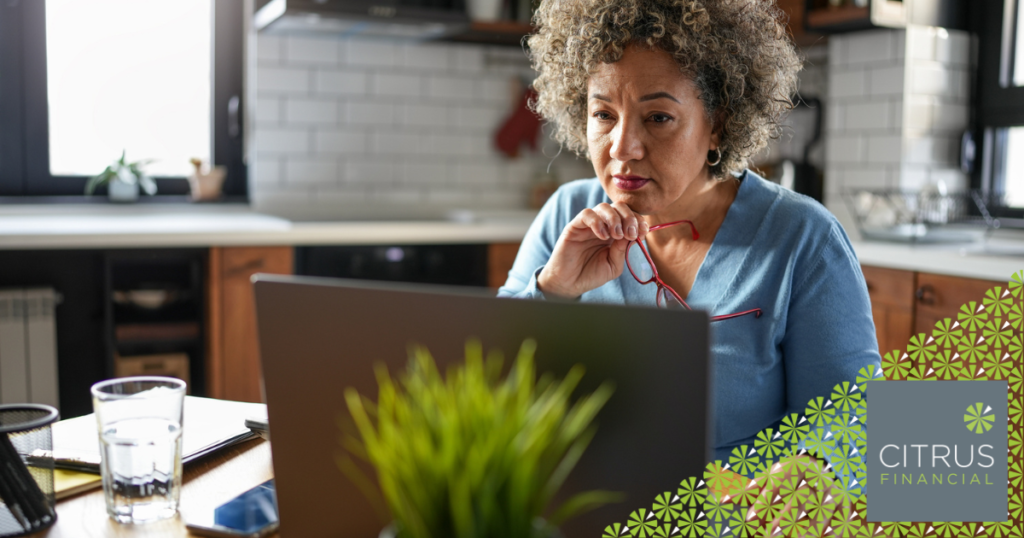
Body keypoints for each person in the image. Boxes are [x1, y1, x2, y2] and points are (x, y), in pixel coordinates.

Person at [498, 0, 881, 465]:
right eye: (603, 114)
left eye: (658, 118)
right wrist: (552, 291)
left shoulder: (803, 239)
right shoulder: (566, 213)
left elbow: (849, 437)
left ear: (717, 125)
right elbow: (494, 395)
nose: (623, 147)